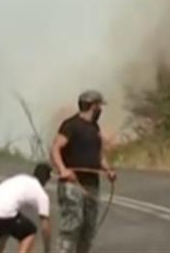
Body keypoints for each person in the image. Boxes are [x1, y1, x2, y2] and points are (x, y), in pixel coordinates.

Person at [50, 90, 117, 253]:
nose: (100, 110)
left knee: (88, 228)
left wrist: (108, 170)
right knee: (73, 224)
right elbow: (55, 148)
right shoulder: (71, 125)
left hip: (92, 183)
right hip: (72, 183)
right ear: (93, 106)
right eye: (99, 106)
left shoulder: (94, 128)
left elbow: (98, 156)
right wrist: (63, 170)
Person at [0, 163, 53, 253]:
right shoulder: (42, 195)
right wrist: (47, 249)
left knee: (4, 231)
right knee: (29, 232)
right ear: (47, 179)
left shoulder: (22, 177)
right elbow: (45, 227)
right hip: (2, 213)